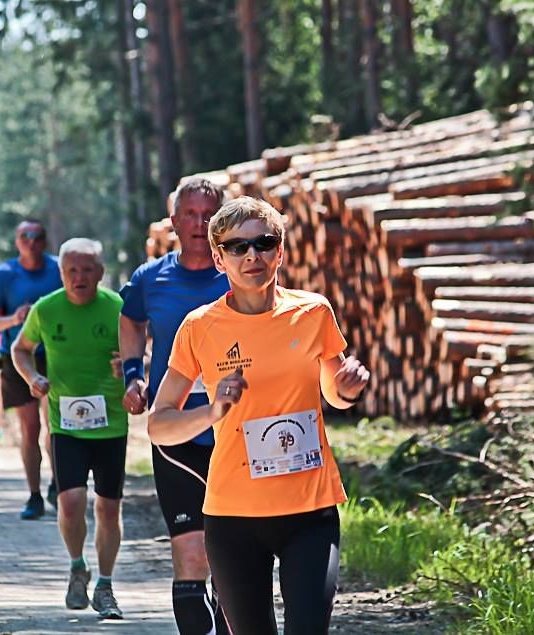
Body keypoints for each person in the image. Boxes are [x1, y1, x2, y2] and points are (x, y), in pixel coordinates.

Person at [149, 197, 371, 634]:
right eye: (237, 247)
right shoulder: (199, 327)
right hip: (233, 515)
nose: (252, 255)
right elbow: (160, 422)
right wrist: (213, 411)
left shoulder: (313, 312)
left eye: (264, 243)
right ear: (218, 258)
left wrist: (345, 391)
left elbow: (333, 390)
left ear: (281, 251)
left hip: (310, 509)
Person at [119, 177, 230, 634]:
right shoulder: (152, 278)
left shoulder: (240, 275)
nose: (200, 224)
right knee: (190, 552)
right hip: (175, 431)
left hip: (235, 433)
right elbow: (130, 320)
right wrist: (133, 373)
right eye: (191, 214)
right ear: (174, 221)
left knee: (231, 556)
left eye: (209, 215)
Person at [11, 238, 128, 620]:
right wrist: (32, 377)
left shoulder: (117, 307)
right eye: (72, 270)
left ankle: (106, 585)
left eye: (87, 269)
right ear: (61, 273)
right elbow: (20, 348)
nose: (80, 277)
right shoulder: (46, 309)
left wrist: (126, 367)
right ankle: (78, 565)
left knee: (108, 509)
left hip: (111, 424)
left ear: (100, 272)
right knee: (71, 501)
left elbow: (138, 352)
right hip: (66, 424)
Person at [0, 219, 63, 520]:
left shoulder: (58, 269)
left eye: (37, 236)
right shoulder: (5, 274)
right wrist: (14, 320)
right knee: (30, 429)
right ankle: (34, 494)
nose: (31, 241)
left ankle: (58, 485)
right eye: (24, 236)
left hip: (55, 356)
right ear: (17, 241)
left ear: (45, 240)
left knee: (55, 426)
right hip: (19, 358)